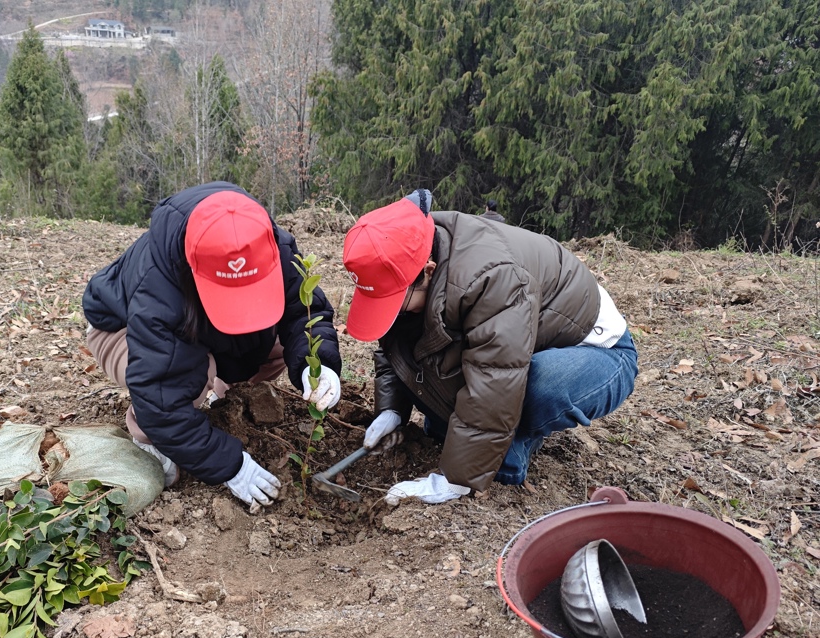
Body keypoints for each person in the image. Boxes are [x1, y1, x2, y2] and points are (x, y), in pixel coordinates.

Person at [342, 190, 637, 504]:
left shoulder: (491, 277)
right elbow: (396, 342)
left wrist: (455, 480)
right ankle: (494, 440)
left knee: (537, 388)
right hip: (518, 346)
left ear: (428, 271)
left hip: (598, 353)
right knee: (446, 403)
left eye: (395, 302)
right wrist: (392, 409)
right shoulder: (411, 250)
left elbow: (496, 378)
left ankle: (512, 453)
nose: (395, 311)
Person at [83, 182, 342, 512]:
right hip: (118, 329)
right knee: (189, 373)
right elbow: (160, 396)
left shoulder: (267, 242)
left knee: (276, 345)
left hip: (195, 325)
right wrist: (230, 465)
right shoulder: (159, 291)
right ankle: (146, 436)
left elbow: (303, 310)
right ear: (194, 268)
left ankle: (225, 398)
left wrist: (316, 363)